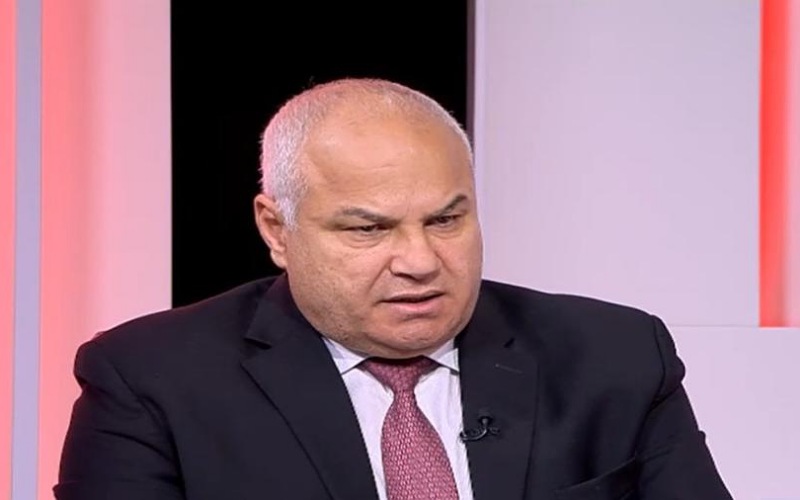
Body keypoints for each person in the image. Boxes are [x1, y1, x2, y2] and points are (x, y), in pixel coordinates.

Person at [55, 78, 732, 500]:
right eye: (368, 229)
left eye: (446, 220)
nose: (419, 261)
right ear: (276, 229)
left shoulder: (615, 357)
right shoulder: (151, 380)